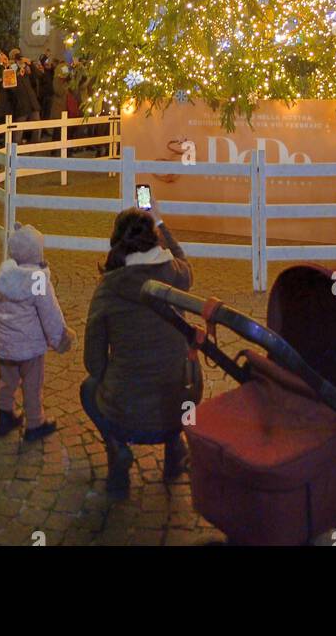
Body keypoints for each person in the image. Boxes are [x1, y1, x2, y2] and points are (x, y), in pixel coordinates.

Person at [81, 202, 201, 495]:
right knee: (178, 376)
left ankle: (117, 448)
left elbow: (94, 364)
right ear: (154, 239)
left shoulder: (108, 289)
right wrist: (159, 221)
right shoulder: (175, 272)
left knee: (87, 389)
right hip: (182, 407)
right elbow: (184, 260)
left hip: (127, 415)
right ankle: (175, 448)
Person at [0, 223, 76, 441]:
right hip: (30, 348)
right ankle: (35, 424)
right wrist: (60, 338)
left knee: (6, 382)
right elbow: (49, 313)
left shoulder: (3, 274)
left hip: (4, 345)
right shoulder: (37, 279)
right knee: (32, 385)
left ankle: (4, 417)